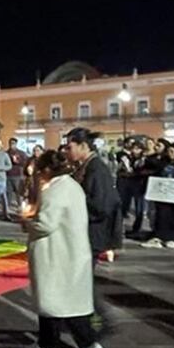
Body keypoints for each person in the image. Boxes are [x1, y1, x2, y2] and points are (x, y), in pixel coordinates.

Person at [23, 150, 108, 348]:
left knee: (55, 303)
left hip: (56, 254)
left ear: (48, 170)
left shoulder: (55, 190)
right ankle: (58, 345)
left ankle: (81, 345)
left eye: (40, 170)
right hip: (70, 251)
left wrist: (28, 224)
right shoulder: (71, 186)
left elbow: (46, 223)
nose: (39, 175)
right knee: (61, 304)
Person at [65, 128, 120, 335]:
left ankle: (98, 322)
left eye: (70, 148)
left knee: (83, 281)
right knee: (80, 280)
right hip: (86, 233)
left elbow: (102, 205)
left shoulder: (97, 169)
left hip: (93, 235)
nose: (67, 152)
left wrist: (73, 205)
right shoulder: (85, 167)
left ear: (83, 146)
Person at [142, 143, 174, 249]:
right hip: (162, 194)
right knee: (161, 215)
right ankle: (159, 237)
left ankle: (171, 238)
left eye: (172, 151)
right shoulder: (162, 163)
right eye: (168, 151)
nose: (170, 154)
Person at [6, 138, 27, 210]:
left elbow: (25, 163)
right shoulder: (6, 153)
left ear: (16, 144)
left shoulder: (21, 153)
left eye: (13, 143)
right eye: (11, 143)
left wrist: (18, 161)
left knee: (18, 191)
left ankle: (20, 205)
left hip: (17, 175)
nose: (12, 145)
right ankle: (8, 205)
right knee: (8, 191)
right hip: (8, 175)